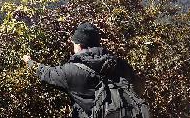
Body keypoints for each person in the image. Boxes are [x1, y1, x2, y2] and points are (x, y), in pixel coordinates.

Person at [22, 22, 150, 118]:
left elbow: (46, 73)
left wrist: (29, 62)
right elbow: (138, 87)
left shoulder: (71, 71)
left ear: (79, 45)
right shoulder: (120, 64)